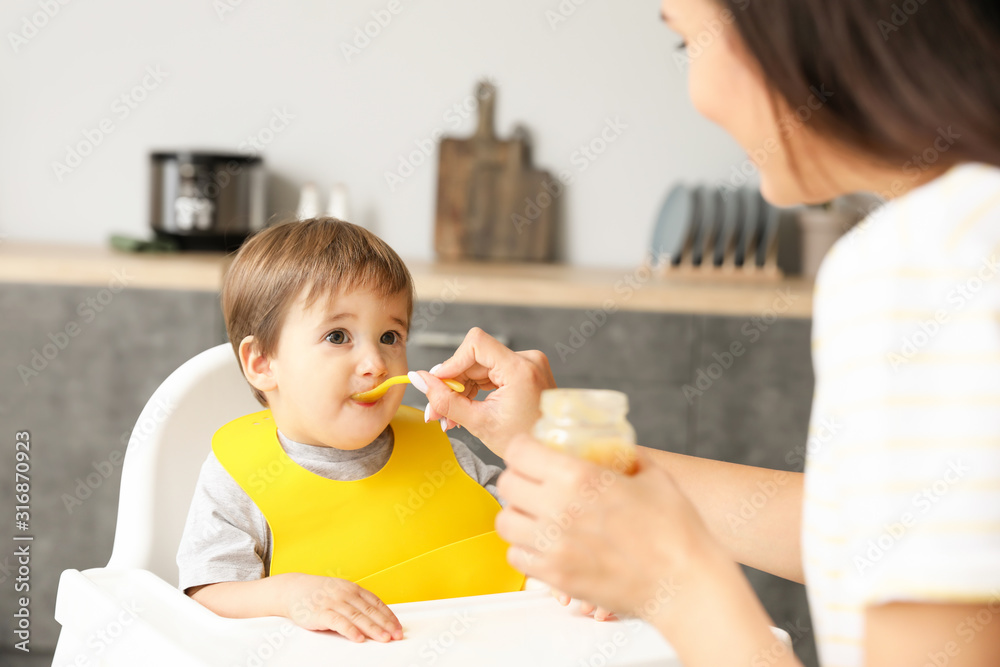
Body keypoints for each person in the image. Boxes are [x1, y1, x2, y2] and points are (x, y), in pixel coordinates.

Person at [413, 0, 1000, 665]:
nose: (695, 94)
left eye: (686, 43)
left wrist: (674, 584)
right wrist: (561, 449)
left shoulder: (926, 261)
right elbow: (873, 522)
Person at [175, 218, 525, 644]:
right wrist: (289, 595)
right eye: (338, 336)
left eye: (390, 336)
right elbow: (207, 597)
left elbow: (537, 533)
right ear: (263, 362)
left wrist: (577, 580)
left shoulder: (443, 451)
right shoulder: (240, 475)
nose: (376, 362)